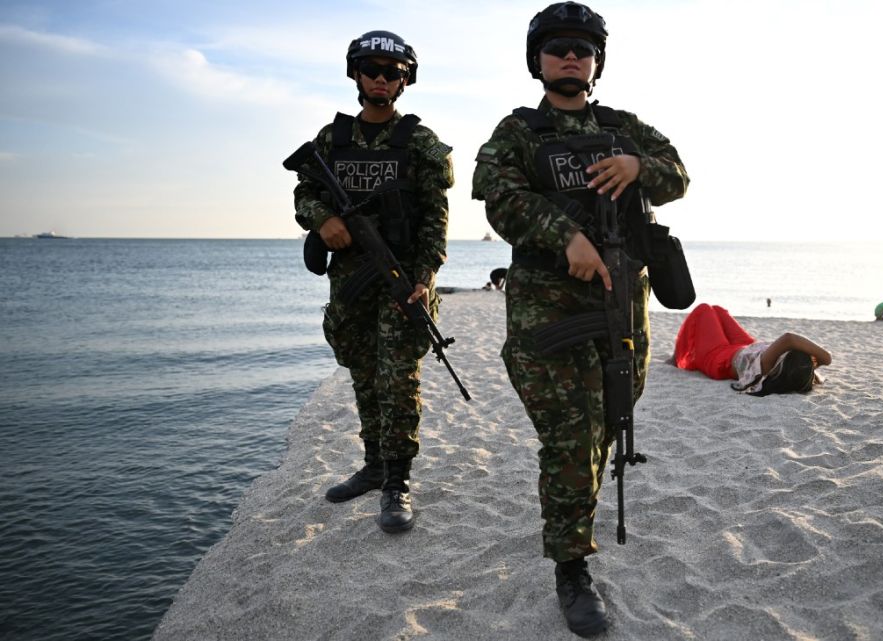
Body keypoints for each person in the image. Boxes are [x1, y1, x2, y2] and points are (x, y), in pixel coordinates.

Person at [471, 3, 689, 635]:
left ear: (596, 61)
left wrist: (640, 168)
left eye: (583, 48)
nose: (571, 55)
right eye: (558, 46)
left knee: (610, 419)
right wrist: (563, 235)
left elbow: (679, 173)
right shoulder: (517, 131)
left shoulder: (625, 129)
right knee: (571, 433)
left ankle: (575, 524)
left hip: (621, 300)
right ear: (538, 60)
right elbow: (496, 193)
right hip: (548, 308)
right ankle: (572, 567)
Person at [291, 30, 454, 533]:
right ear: (355, 74)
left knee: (398, 378)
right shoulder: (330, 141)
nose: (381, 79)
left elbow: (435, 218)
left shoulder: (422, 144)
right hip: (349, 282)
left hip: (402, 280)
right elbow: (303, 193)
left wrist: (425, 277)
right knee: (363, 370)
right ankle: (373, 463)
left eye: (392, 72)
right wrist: (322, 219)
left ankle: (397, 481)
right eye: (372, 69)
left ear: (405, 80)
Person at [672, 304, 831, 395]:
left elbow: (789, 338)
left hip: (719, 357)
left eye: (788, 353)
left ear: (784, 363)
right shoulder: (788, 372)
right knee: (719, 310)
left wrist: (827, 358)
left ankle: (677, 357)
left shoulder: (768, 365)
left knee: (704, 309)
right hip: (746, 346)